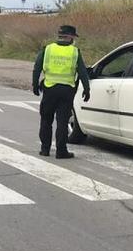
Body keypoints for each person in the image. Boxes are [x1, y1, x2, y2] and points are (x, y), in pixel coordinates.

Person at [32, 25, 91, 159]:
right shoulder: (74, 52)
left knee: (46, 120)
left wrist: (35, 84)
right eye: (74, 37)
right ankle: (61, 151)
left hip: (49, 89)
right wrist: (87, 89)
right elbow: (82, 72)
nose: (74, 40)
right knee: (62, 122)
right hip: (66, 91)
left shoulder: (48, 49)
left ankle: (45, 149)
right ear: (70, 37)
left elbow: (37, 68)